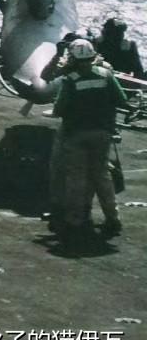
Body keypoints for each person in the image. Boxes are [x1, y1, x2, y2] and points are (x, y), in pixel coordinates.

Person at [52, 37, 128, 243]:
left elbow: (59, 109)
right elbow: (122, 100)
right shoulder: (106, 75)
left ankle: (75, 219)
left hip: (76, 134)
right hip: (102, 133)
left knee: (76, 178)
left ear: (72, 59)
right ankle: (113, 218)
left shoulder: (70, 80)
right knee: (102, 176)